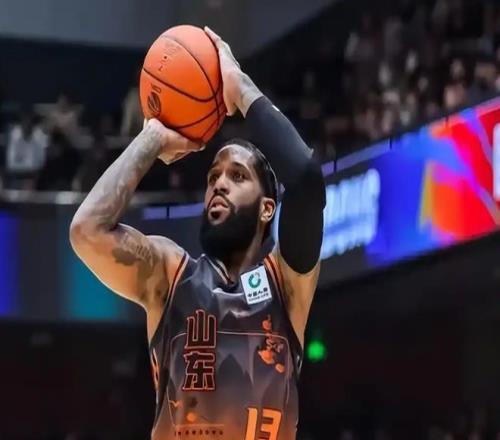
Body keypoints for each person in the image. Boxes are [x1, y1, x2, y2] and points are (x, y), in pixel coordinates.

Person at [69, 27, 325, 440]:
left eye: (237, 176)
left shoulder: (286, 284)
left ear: (267, 208)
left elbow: (307, 182)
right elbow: (86, 231)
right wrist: (153, 137)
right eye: (213, 176)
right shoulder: (171, 274)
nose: (219, 184)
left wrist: (239, 87)